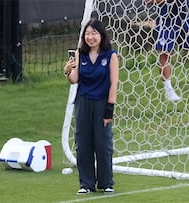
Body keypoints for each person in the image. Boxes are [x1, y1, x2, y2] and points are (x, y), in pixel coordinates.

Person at [63, 19, 119, 194]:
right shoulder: (81, 54)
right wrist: (66, 71)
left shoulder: (110, 56)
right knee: (83, 143)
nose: (90, 37)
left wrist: (109, 108)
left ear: (101, 36)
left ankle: (106, 182)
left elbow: (113, 84)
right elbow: (75, 79)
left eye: (94, 33)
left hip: (102, 103)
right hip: (83, 102)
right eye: (87, 34)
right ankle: (86, 184)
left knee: (103, 143)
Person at [147, 0, 189, 101]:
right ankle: (169, 91)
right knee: (165, 53)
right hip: (166, 19)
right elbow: (148, 1)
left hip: (184, 16)